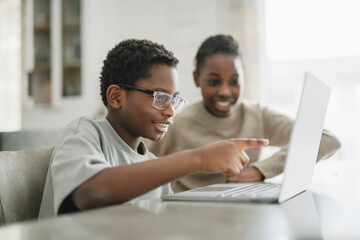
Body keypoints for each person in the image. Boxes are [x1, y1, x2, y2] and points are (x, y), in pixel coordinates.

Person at [38, 39, 269, 218]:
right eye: (160, 97)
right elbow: (90, 192)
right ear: (116, 96)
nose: (170, 111)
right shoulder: (85, 132)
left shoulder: (151, 164)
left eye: (174, 100)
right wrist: (198, 158)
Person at [145, 34, 341, 193]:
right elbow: (134, 165)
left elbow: (328, 139)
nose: (224, 91)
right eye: (214, 81)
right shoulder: (175, 121)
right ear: (197, 78)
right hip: (189, 212)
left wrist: (261, 170)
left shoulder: (257, 115)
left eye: (234, 81)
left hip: (242, 210)